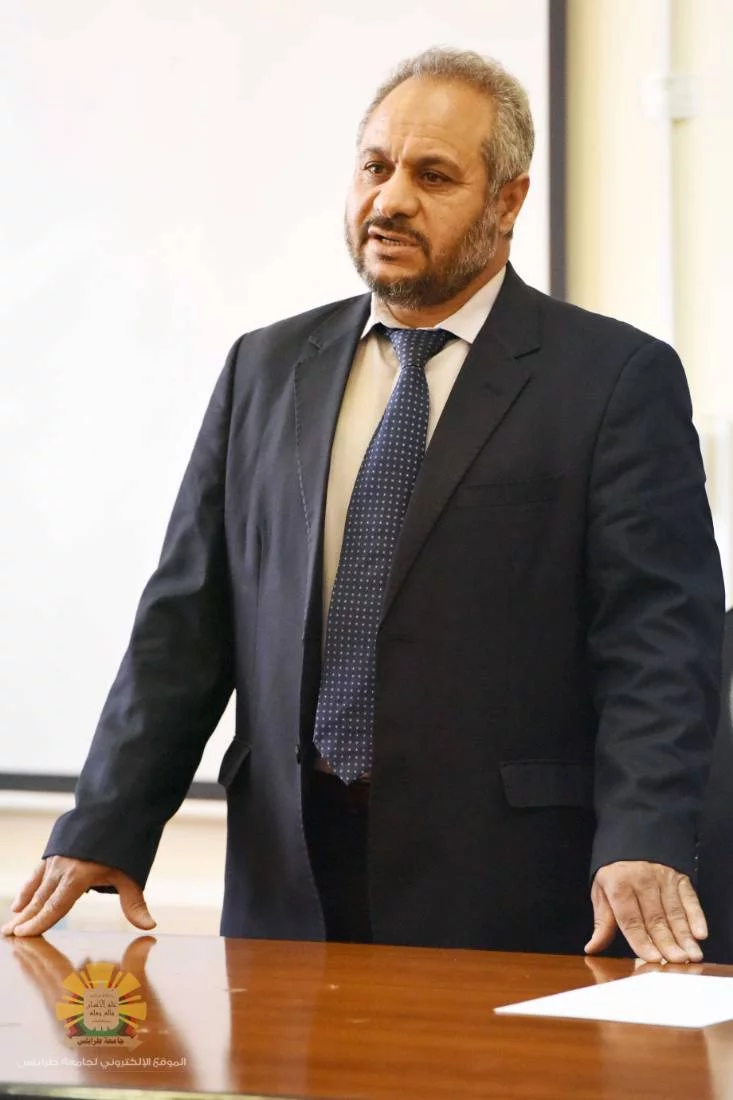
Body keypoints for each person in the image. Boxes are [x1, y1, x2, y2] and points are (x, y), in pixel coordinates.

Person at [3, 48, 724, 962]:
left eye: (433, 176)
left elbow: (658, 636)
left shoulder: (612, 379)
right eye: (374, 168)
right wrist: (108, 820)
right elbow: (186, 621)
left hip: (508, 883)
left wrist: (644, 832)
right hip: (287, 871)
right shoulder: (265, 368)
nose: (390, 200)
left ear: (507, 201)